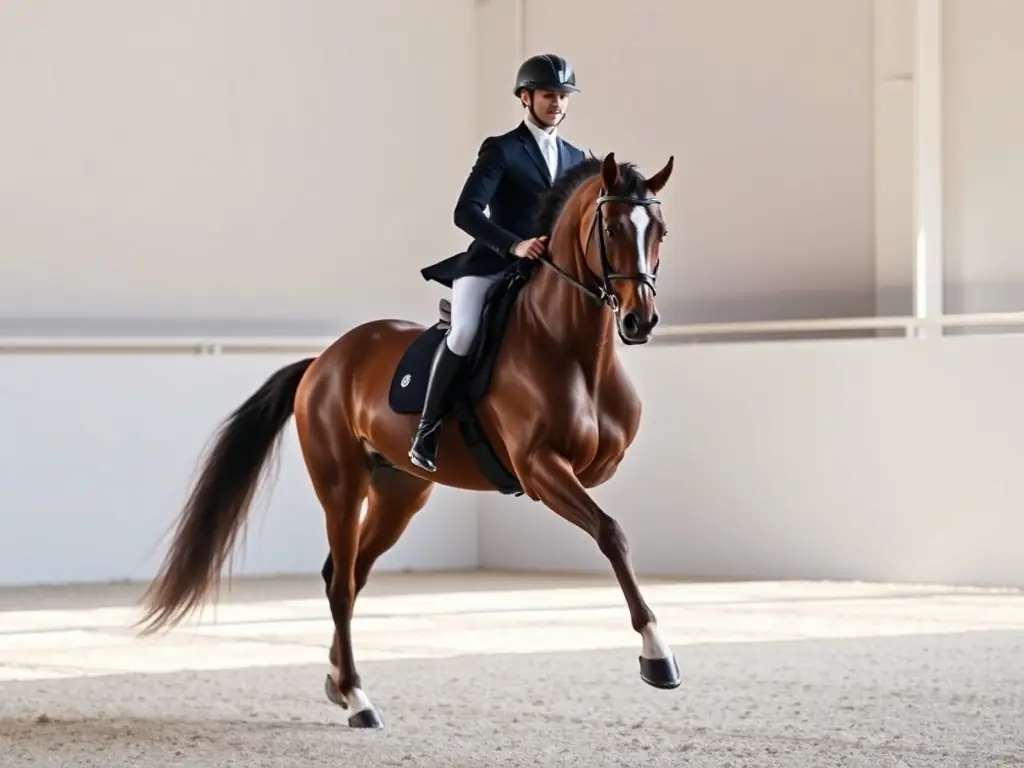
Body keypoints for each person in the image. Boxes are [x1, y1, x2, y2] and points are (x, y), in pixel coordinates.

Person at [408, 53, 588, 473]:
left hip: (547, 272)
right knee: (465, 331)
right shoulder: (503, 149)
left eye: (563, 96)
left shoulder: (578, 157)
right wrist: (514, 245)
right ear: (526, 97)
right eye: (548, 95)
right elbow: (466, 213)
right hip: (492, 264)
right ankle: (426, 430)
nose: (557, 104)